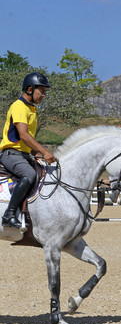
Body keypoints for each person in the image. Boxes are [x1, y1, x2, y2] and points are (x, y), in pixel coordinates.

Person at [0, 72, 56, 229]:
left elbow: (26, 141)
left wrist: (37, 155)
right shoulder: (19, 106)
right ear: (30, 89)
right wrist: (45, 151)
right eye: (42, 91)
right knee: (29, 174)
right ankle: (8, 215)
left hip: (23, 155)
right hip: (10, 154)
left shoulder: (32, 110)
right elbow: (24, 135)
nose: (44, 95)